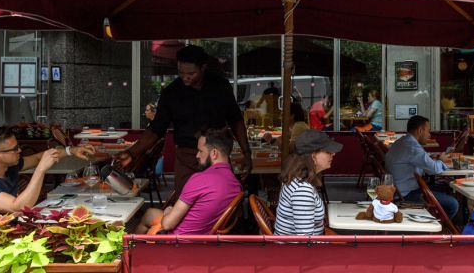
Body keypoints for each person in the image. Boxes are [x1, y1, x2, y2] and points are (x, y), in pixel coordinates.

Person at [116, 45, 253, 200]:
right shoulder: (171, 93)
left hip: (217, 156)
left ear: (203, 68)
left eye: (191, 73)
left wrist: (247, 153)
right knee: (185, 205)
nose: (185, 77)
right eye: (181, 73)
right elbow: (156, 129)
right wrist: (131, 153)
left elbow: (236, 120)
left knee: (222, 203)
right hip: (186, 157)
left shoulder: (221, 86)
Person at [0, 127, 93, 222]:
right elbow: (18, 207)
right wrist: (41, 169)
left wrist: (71, 150)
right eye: (14, 149)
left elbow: (38, 158)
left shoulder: (10, 167)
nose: (19, 150)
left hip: (16, 229)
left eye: (18, 146)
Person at [134, 129, 242, 234]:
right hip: (206, 238)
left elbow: (167, 224)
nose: (197, 155)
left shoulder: (200, 179)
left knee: (153, 219)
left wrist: (168, 213)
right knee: (149, 213)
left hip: (177, 242)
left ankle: (135, 249)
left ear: (214, 153)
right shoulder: (235, 184)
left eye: (200, 151)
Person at [385, 115, 458, 219]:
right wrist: (441, 160)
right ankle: (441, 229)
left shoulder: (402, 142)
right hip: (407, 195)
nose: (429, 134)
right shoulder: (412, 147)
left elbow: (417, 158)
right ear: (420, 130)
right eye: (428, 131)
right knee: (453, 204)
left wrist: (430, 156)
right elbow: (434, 169)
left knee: (443, 189)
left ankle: (437, 220)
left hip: (398, 190)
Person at [274, 130, 342, 235]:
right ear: (313, 156)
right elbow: (305, 239)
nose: (333, 153)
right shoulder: (302, 190)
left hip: (294, 246)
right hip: (296, 249)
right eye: (328, 151)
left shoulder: (296, 177)